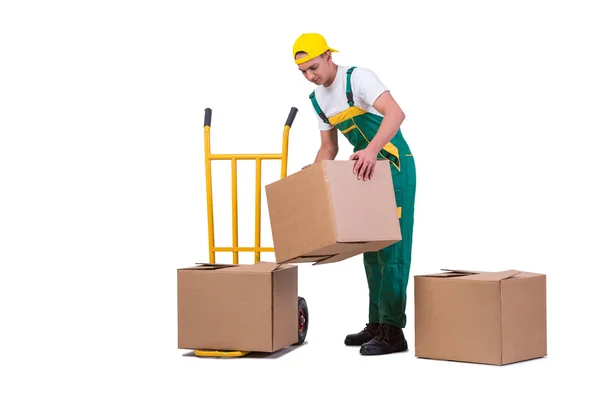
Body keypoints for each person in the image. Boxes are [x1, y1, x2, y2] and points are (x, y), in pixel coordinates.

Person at [292, 33, 417, 356]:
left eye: (314, 67)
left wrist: (372, 150)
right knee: (370, 246)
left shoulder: (358, 78)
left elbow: (396, 114)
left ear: (329, 57)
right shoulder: (318, 99)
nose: (310, 75)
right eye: (303, 71)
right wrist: (312, 179)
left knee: (393, 247)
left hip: (393, 165)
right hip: (365, 169)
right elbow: (328, 148)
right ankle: (377, 322)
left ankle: (393, 330)